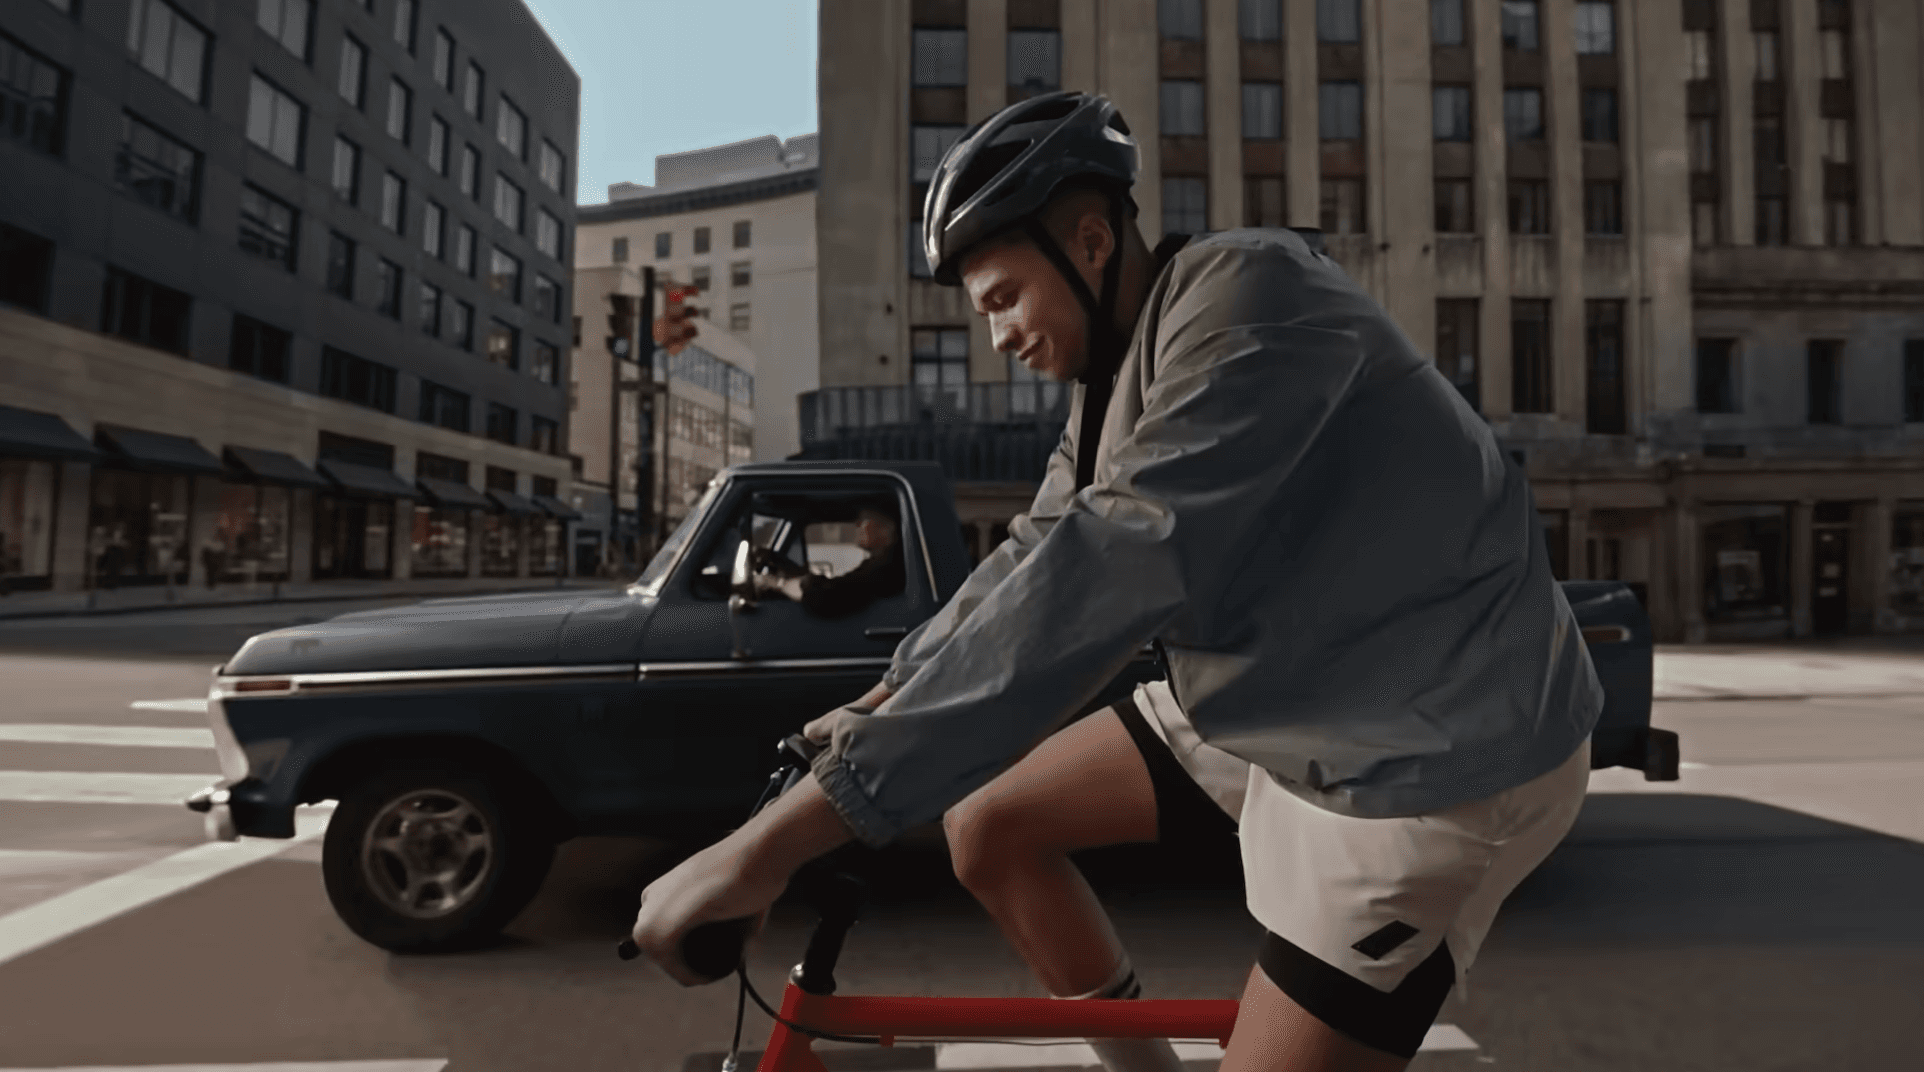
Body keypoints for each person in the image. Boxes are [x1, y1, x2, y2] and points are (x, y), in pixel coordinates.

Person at [630, 90, 1602, 1072]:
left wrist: (767, 851)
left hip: (1432, 752)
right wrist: (865, 713)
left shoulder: (1250, 301)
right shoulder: (1115, 383)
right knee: (991, 820)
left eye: (1005, 296)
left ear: (1089, 242)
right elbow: (1034, 557)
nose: (998, 335)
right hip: (1291, 691)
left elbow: (1114, 562)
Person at [750, 504, 906, 619]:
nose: (857, 525)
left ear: (886, 529)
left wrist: (778, 584)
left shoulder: (885, 567)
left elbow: (828, 597)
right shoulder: (878, 563)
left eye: (864, 520)